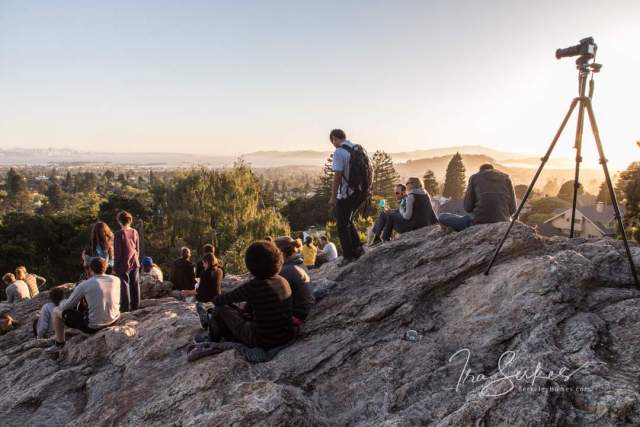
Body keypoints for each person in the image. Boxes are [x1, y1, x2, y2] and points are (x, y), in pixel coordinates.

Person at [208, 241, 294, 349]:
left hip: (262, 341)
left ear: (251, 264)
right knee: (243, 311)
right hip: (286, 337)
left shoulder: (254, 286)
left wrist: (217, 298)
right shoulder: (283, 281)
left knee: (219, 310)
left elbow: (220, 300)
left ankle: (212, 341)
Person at [45, 257, 120, 354]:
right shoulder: (116, 280)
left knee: (56, 311)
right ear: (105, 267)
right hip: (115, 320)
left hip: (94, 327)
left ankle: (59, 343)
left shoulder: (85, 284)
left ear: (90, 269)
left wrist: (62, 301)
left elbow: (67, 306)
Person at [438, 164, 517, 232]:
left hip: (479, 221)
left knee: (442, 216)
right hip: (503, 221)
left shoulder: (475, 178)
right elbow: (513, 209)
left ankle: (453, 228)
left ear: (480, 171)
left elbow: (468, 207)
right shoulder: (507, 178)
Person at [328, 129, 365, 266]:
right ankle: (358, 249)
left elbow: (338, 176)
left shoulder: (339, 152)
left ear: (334, 138)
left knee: (342, 224)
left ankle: (348, 256)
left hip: (346, 193)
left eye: (332, 141)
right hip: (359, 192)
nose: (333, 144)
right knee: (348, 220)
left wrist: (333, 196)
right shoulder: (356, 148)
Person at [276, 236, 314, 321]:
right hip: (307, 310)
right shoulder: (299, 263)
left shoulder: (285, 270)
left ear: (281, 252)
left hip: (298, 315)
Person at [113, 211, 140, 312]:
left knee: (124, 286)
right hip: (135, 261)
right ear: (130, 220)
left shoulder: (119, 234)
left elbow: (118, 253)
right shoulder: (135, 232)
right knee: (135, 284)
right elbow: (137, 249)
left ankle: (125, 308)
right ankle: (136, 306)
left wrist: (115, 268)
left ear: (119, 221)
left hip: (123, 263)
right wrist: (137, 260)